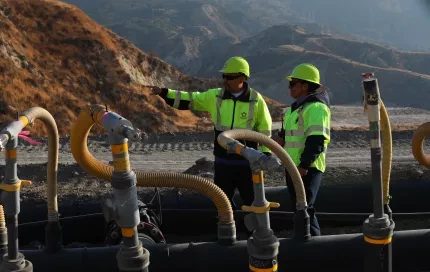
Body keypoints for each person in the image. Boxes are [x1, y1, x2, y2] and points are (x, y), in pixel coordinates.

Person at [148, 56, 273, 210]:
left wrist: (266, 154)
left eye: (230, 77)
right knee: (221, 202)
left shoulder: (256, 100)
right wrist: (165, 92)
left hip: (246, 164)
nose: (225, 80)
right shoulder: (216, 96)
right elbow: (190, 98)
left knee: (253, 201)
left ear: (242, 77)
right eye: (224, 76)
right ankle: (227, 232)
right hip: (222, 162)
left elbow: (265, 130)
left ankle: (253, 232)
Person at [272, 63, 331, 236]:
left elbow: (317, 140)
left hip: (307, 169)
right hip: (293, 167)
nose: (289, 87)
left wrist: (304, 165)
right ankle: (302, 239)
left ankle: (312, 246)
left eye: (293, 83)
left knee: (305, 208)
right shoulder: (294, 109)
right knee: (299, 207)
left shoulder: (317, 108)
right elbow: (285, 136)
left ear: (305, 85)